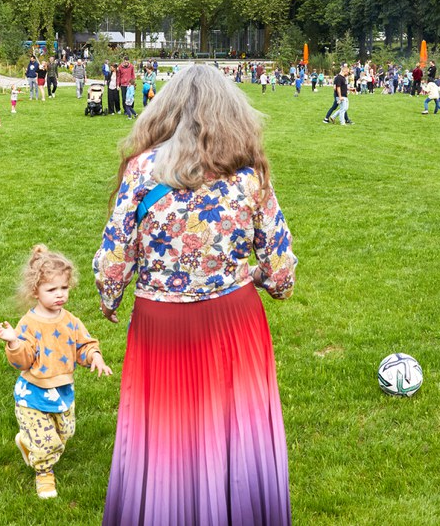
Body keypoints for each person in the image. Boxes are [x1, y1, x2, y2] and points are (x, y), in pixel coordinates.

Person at [93, 65, 297, 525]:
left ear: (163, 110)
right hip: (235, 323)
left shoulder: (142, 170)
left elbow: (111, 265)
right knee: (235, 434)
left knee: (166, 438)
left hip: (161, 327)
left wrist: (110, 300)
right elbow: (281, 272)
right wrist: (257, 277)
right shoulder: (249, 177)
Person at [0, 245, 112, 500]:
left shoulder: (69, 320)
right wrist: (14, 342)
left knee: (65, 434)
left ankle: (30, 445)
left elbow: (84, 344)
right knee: (47, 443)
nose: (60, 295)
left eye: (64, 288)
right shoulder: (28, 323)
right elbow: (22, 361)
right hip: (33, 394)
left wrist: (95, 356)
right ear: (35, 292)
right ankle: (44, 473)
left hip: (62, 392)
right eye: (52, 290)